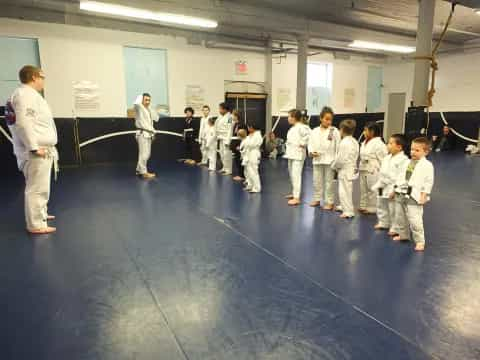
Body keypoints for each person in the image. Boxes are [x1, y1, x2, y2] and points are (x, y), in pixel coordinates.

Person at [7, 65, 58, 234]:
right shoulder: (24, 95)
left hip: (41, 149)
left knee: (41, 187)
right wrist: (34, 148)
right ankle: (35, 224)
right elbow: (23, 123)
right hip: (35, 151)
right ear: (34, 77)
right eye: (42, 77)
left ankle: (40, 214)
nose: (44, 80)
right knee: (36, 188)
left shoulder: (30, 95)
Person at [393, 137, 434, 252]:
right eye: (411, 149)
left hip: (415, 195)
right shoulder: (407, 162)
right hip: (402, 192)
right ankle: (403, 235)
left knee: (415, 219)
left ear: (425, 152)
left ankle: (420, 241)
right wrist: (395, 189)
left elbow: (428, 182)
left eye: (417, 150)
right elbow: (400, 177)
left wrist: (424, 194)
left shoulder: (427, 165)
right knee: (400, 216)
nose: (413, 152)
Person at [371, 134, 409, 233]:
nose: (388, 145)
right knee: (381, 204)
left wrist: (396, 189)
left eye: (391, 143)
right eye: (388, 143)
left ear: (399, 147)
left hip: (393, 186)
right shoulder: (386, 158)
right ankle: (383, 222)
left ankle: (395, 227)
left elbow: (403, 177)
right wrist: (378, 184)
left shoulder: (404, 160)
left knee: (393, 208)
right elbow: (382, 173)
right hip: (382, 184)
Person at [307, 106, 340, 210]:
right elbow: (310, 144)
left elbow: (338, 146)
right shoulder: (314, 131)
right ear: (321, 118)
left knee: (329, 182)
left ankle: (329, 202)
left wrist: (337, 161)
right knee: (317, 181)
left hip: (330, 160)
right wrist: (311, 152)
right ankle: (317, 199)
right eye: (326, 119)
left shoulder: (334, 131)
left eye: (330, 119)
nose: (328, 121)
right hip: (317, 159)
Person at [331, 119, 359, 219]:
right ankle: (344, 206)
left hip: (345, 169)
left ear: (342, 130)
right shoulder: (354, 141)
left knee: (344, 191)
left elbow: (340, 159)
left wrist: (334, 166)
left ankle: (348, 211)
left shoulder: (344, 143)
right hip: (350, 168)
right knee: (347, 190)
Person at [358, 122, 388, 214]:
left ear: (372, 131)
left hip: (373, 169)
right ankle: (363, 205)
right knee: (363, 188)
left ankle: (373, 208)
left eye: (365, 130)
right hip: (363, 168)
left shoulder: (379, 144)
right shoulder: (364, 142)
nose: (364, 132)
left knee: (372, 189)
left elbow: (384, 159)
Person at [284, 109, 311, 206]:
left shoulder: (303, 127)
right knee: (292, 174)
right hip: (291, 153)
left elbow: (309, 136)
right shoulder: (292, 128)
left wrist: (302, 143)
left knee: (296, 175)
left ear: (294, 117)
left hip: (298, 154)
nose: (288, 118)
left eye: (289, 116)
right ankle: (294, 192)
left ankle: (296, 197)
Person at [134, 93, 159, 179]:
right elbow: (136, 103)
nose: (148, 102)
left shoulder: (148, 110)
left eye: (149, 100)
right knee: (144, 154)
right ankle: (144, 172)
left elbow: (157, 118)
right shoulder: (139, 108)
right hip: (142, 133)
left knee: (146, 154)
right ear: (141, 99)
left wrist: (151, 108)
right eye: (146, 100)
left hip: (148, 133)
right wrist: (140, 96)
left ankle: (138, 169)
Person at [243, 123, 263, 193]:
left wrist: (246, 141)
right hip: (249, 154)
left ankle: (257, 188)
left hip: (254, 154)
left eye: (248, 127)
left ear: (252, 127)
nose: (248, 129)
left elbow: (251, 144)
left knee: (254, 171)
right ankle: (251, 185)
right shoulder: (251, 135)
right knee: (249, 171)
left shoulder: (257, 135)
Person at [216, 102, 233, 175]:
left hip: (226, 138)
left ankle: (228, 170)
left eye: (220, 109)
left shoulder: (230, 117)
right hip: (220, 137)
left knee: (227, 154)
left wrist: (228, 141)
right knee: (221, 154)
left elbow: (230, 129)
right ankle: (224, 167)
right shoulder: (220, 116)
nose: (219, 110)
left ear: (225, 109)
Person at [230, 110, 247, 181]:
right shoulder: (235, 124)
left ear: (236, 116)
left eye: (233, 115)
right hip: (235, 144)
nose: (232, 116)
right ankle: (240, 174)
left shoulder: (242, 124)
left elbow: (243, 136)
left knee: (240, 160)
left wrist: (239, 146)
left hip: (239, 144)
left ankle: (242, 176)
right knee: (237, 160)